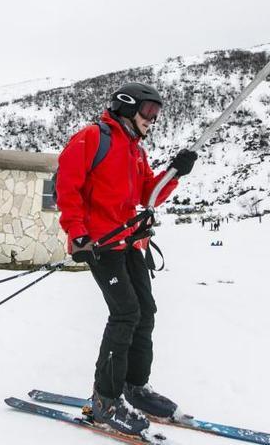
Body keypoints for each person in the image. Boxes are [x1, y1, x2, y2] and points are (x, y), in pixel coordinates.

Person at [55, 82, 197, 436]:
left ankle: (135, 387)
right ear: (126, 107)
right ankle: (105, 400)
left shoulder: (136, 152)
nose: (153, 119)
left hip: (129, 243)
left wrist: (175, 173)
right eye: (148, 111)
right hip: (99, 245)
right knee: (125, 313)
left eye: (157, 114)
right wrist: (79, 234)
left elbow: (150, 194)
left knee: (145, 311)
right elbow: (66, 187)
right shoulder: (92, 138)